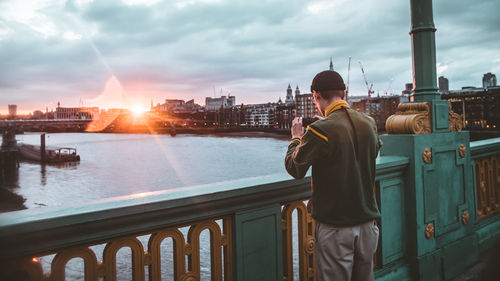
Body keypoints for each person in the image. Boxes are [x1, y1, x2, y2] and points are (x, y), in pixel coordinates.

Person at [285, 70, 381, 281]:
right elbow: (373, 150)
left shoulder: (320, 130)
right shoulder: (368, 122)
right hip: (368, 225)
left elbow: (295, 168)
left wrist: (296, 138)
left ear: (316, 95)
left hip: (337, 228)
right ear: (343, 93)